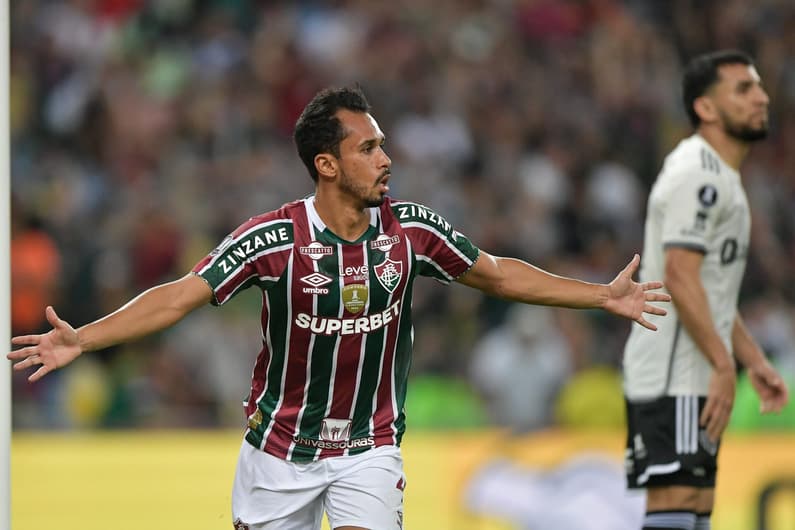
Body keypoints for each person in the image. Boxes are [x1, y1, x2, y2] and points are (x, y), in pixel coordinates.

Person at [9, 85, 671, 530]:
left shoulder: (411, 230)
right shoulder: (271, 238)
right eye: (368, 148)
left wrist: (600, 295)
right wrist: (85, 339)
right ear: (326, 164)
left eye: (381, 144)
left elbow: (495, 276)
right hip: (277, 452)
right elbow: (180, 296)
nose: (386, 159)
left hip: (369, 446)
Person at [621, 50, 789, 530]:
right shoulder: (699, 174)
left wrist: (752, 361)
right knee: (675, 504)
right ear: (706, 108)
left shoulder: (721, 176)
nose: (762, 97)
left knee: (694, 510)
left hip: (692, 371)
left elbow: (709, 293)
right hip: (676, 371)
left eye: (758, 86)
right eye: (743, 89)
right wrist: (722, 363)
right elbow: (679, 275)